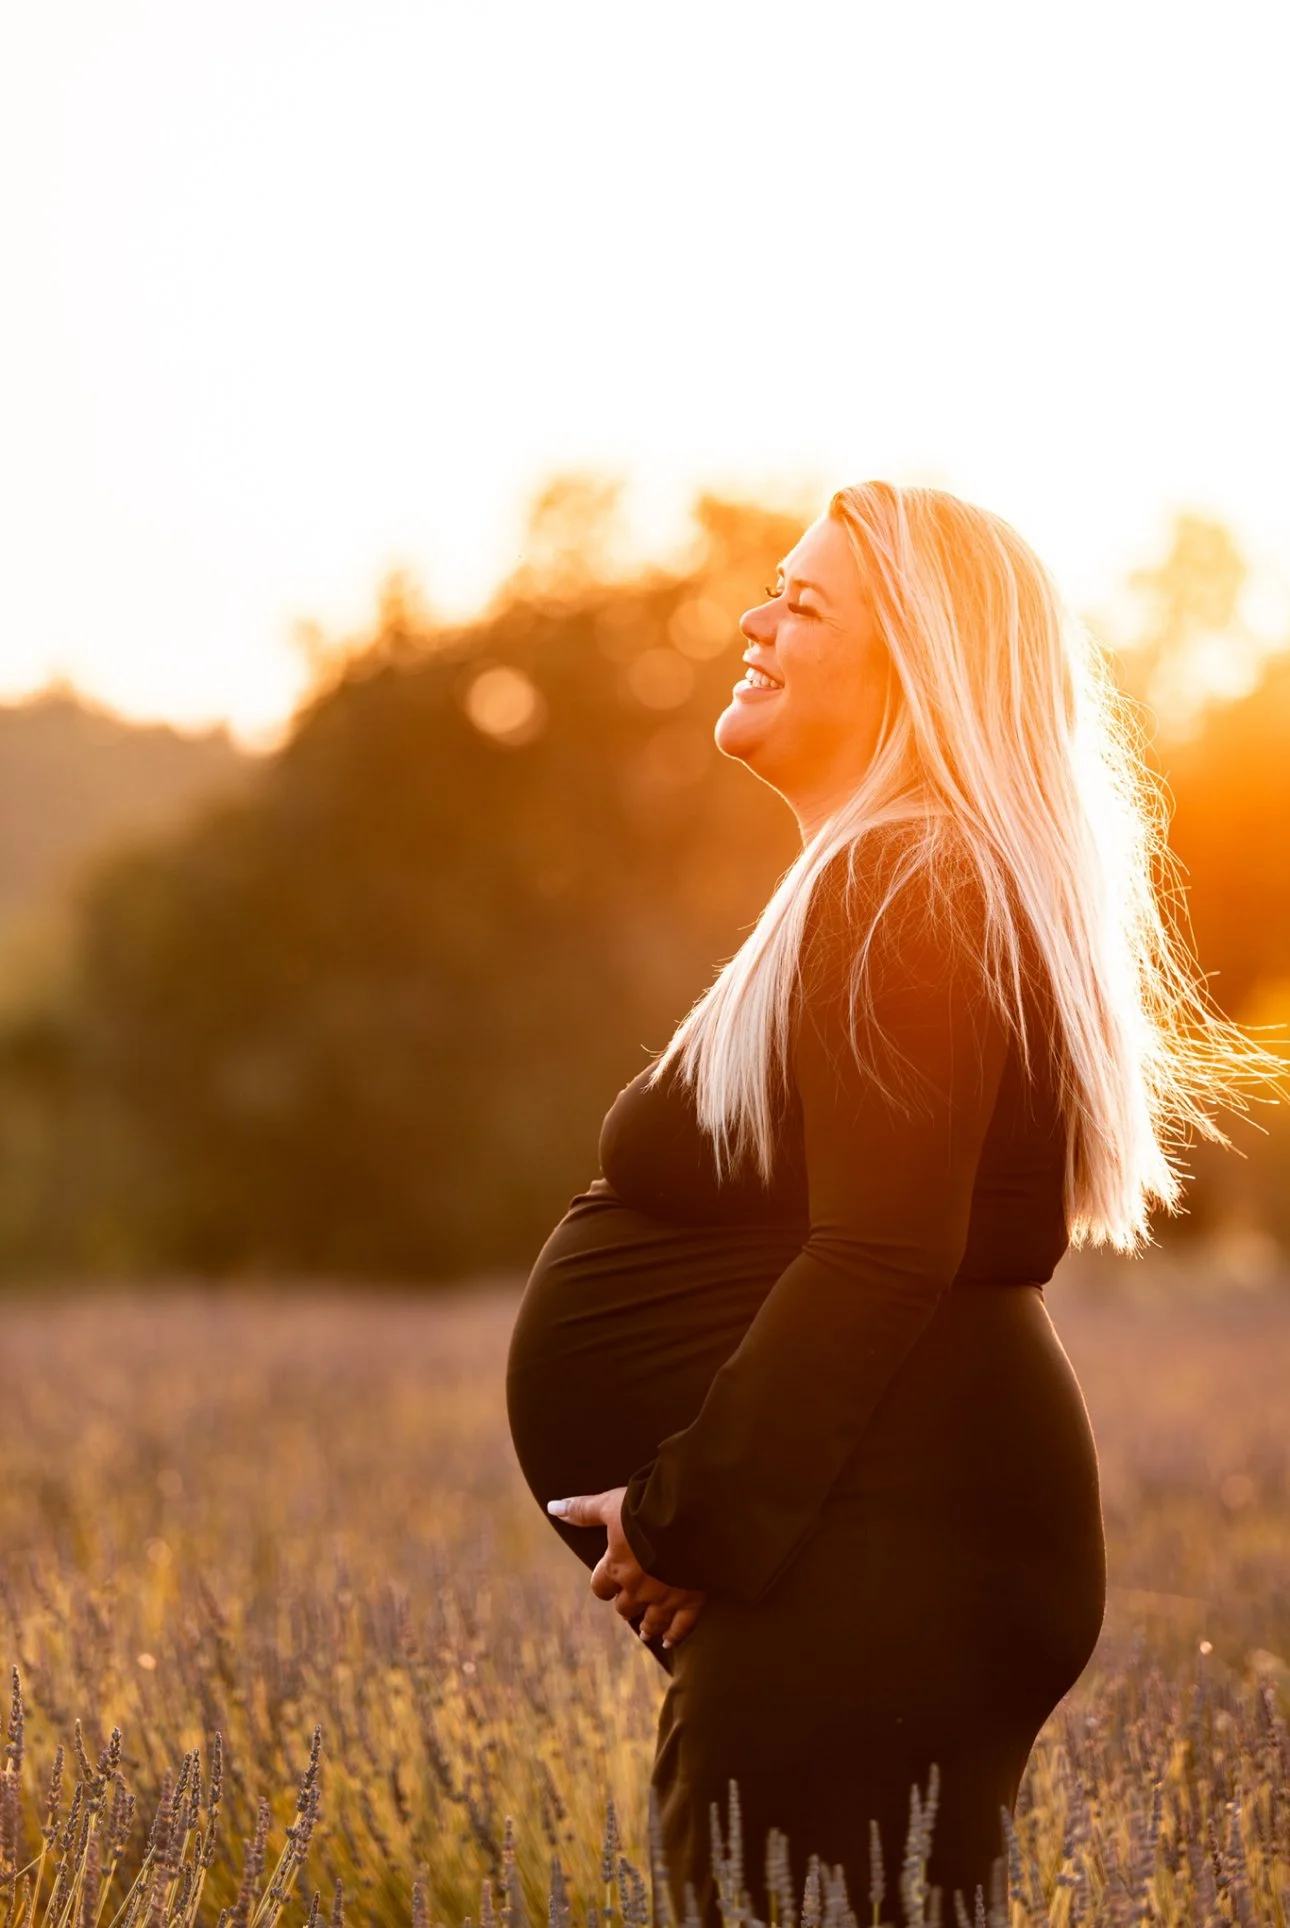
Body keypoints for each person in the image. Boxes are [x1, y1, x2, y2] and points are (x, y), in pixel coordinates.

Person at [504, 482, 1281, 1926]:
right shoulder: (888, 876)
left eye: (801, 604)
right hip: (869, 1549)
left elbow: (883, 1249)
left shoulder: (909, 879)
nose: (753, 619)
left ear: (915, 669)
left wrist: (685, 1520)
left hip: (882, 1553)